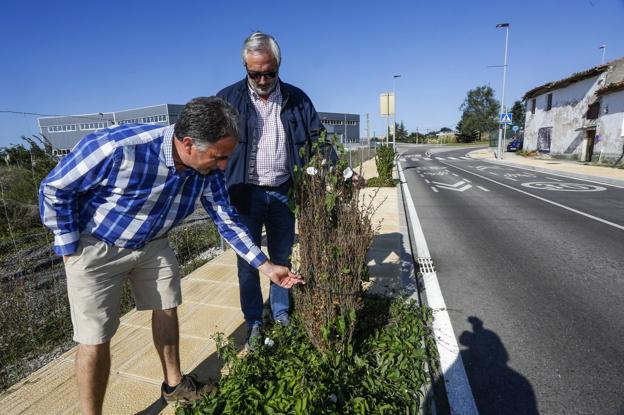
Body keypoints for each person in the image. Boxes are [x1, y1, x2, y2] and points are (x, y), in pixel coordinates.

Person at [39, 96, 303, 414]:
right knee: (95, 337)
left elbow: (225, 218)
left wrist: (266, 266)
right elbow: (55, 188)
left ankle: (175, 385)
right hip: (98, 246)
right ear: (188, 144)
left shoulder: (207, 171)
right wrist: (68, 247)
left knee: (167, 306)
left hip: (154, 243)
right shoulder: (118, 147)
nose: (222, 166)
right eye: (219, 157)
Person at [217, 32, 325, 349]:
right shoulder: (228, 99)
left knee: (282, 255)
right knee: (249, 262)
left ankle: (281, 314)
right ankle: (253, 321)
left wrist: (339, 171)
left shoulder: (297, 99)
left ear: (278, 65)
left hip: (282, 192)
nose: (263, 79)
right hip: (244, 193)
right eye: (255, 73)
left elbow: (319, 140)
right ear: (245, 68)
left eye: (269, 72)